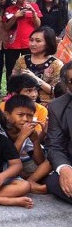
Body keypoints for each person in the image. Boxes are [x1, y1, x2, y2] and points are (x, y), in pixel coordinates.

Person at [4, 95, 51, 194]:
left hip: (23, 164)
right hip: (2, 165)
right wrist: (22, 137)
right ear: (7, 115)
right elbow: (6, 159)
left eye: (29, 115)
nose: (25, 119)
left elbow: (40, 161)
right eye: (20, 115)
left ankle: (30, 181)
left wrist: (35, 141)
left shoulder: (27, 130)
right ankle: (27, 184)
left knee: (51, 160)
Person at [12, 26, 63, 106]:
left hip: (46, 106)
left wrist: (36, 79)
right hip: (22, 104)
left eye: (38, 41)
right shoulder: (22, 60)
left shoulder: (56, 64)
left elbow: (57, 91)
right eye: (31, 40)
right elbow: (12, 84)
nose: (33, 44)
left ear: (48, 43)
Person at [45, 61, 72, 204]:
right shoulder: (58, 107)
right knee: (55, 181)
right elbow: (55, 145)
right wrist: (65, 169)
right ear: (67, 86)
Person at [3, 0, 42, 81]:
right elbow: (6, 27)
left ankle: (29, 90)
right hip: (13, 44)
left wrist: (33, 12)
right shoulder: (10, 9)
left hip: (29, 43)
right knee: (11, 69)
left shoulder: (34, 6)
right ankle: (10, 92)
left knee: (30, 69)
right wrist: (15, 16)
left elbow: (38, 26)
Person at [1, 74, 47, 139]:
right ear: (15, 94)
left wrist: (43, 133)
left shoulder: (41, 110)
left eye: (35, 90)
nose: (34, 94)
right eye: (28, 91)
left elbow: (35, 138)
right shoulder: (2, 107)